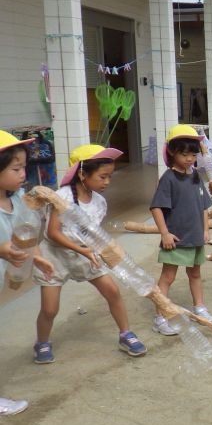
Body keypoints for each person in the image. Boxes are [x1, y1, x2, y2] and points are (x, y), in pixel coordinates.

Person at [32, 144, 146, 362]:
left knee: (112, 291)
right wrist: (82, 250)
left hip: (85, 254)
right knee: (49, 309)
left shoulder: (99, 202)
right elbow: (53, 233)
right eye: (103, 177)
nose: (107, 182)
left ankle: (125, 334)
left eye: (110, 177)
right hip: (55, 256)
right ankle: (42, 342)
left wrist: (103, 251)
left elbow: (93, 233)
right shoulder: (61, 197)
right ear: (82, 174)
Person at [0, 131, 54, 414]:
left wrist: (38, 258)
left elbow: (25, 234)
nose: (23, 174)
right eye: (16, 168)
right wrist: (4, 250)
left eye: (24, 167)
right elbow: (7, 245)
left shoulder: (17, 199)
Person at [150, 125, 212, 335]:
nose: (189, 159)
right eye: (184, 154)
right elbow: (156, 207)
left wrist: (205, 229)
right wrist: (165, 233)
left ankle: (200, 307)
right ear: (172, 152)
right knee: (168, 277)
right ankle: (160, 318)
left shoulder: (195, 175)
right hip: (176, 238)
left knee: (195, 274)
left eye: (193, 154)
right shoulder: (168, 178)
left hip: (196, 237)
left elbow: (204, 206)